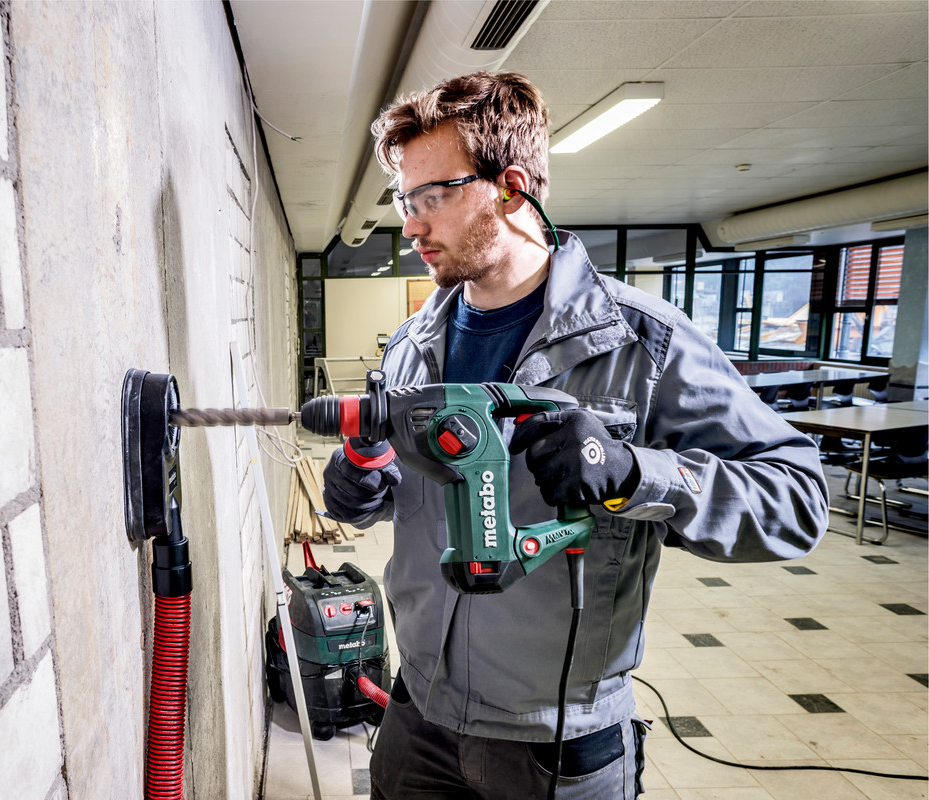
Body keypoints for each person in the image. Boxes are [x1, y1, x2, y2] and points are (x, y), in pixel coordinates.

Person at [320, 71, 828, 799]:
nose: (411, 225)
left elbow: (799, 499)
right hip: (418, 720)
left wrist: (634, 472)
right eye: (407, 200)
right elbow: (420, 491)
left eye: (432, 196)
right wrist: (371, 486)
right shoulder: (411, 347)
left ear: (511, 188)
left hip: (557, 743)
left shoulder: (644, 342)